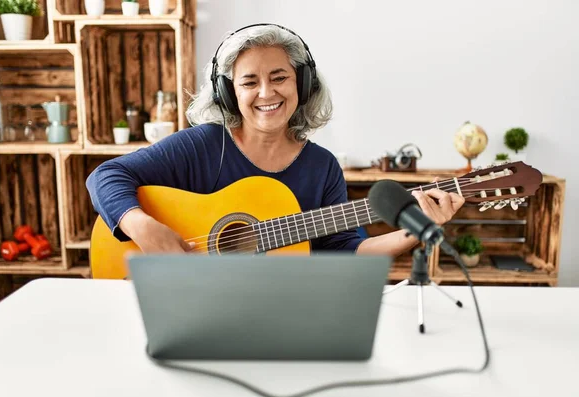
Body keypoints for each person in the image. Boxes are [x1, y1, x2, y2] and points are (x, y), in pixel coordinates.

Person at [86, 23, 464, 255]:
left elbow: (349, 252)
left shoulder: (321, 167)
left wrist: (416, 229)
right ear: (229, 93)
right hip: (191, 300)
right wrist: (144, 227)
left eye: (280, 77)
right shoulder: (202, 145)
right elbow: (105, 176)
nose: (266, 93)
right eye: (250, 82)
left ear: (301, 83)